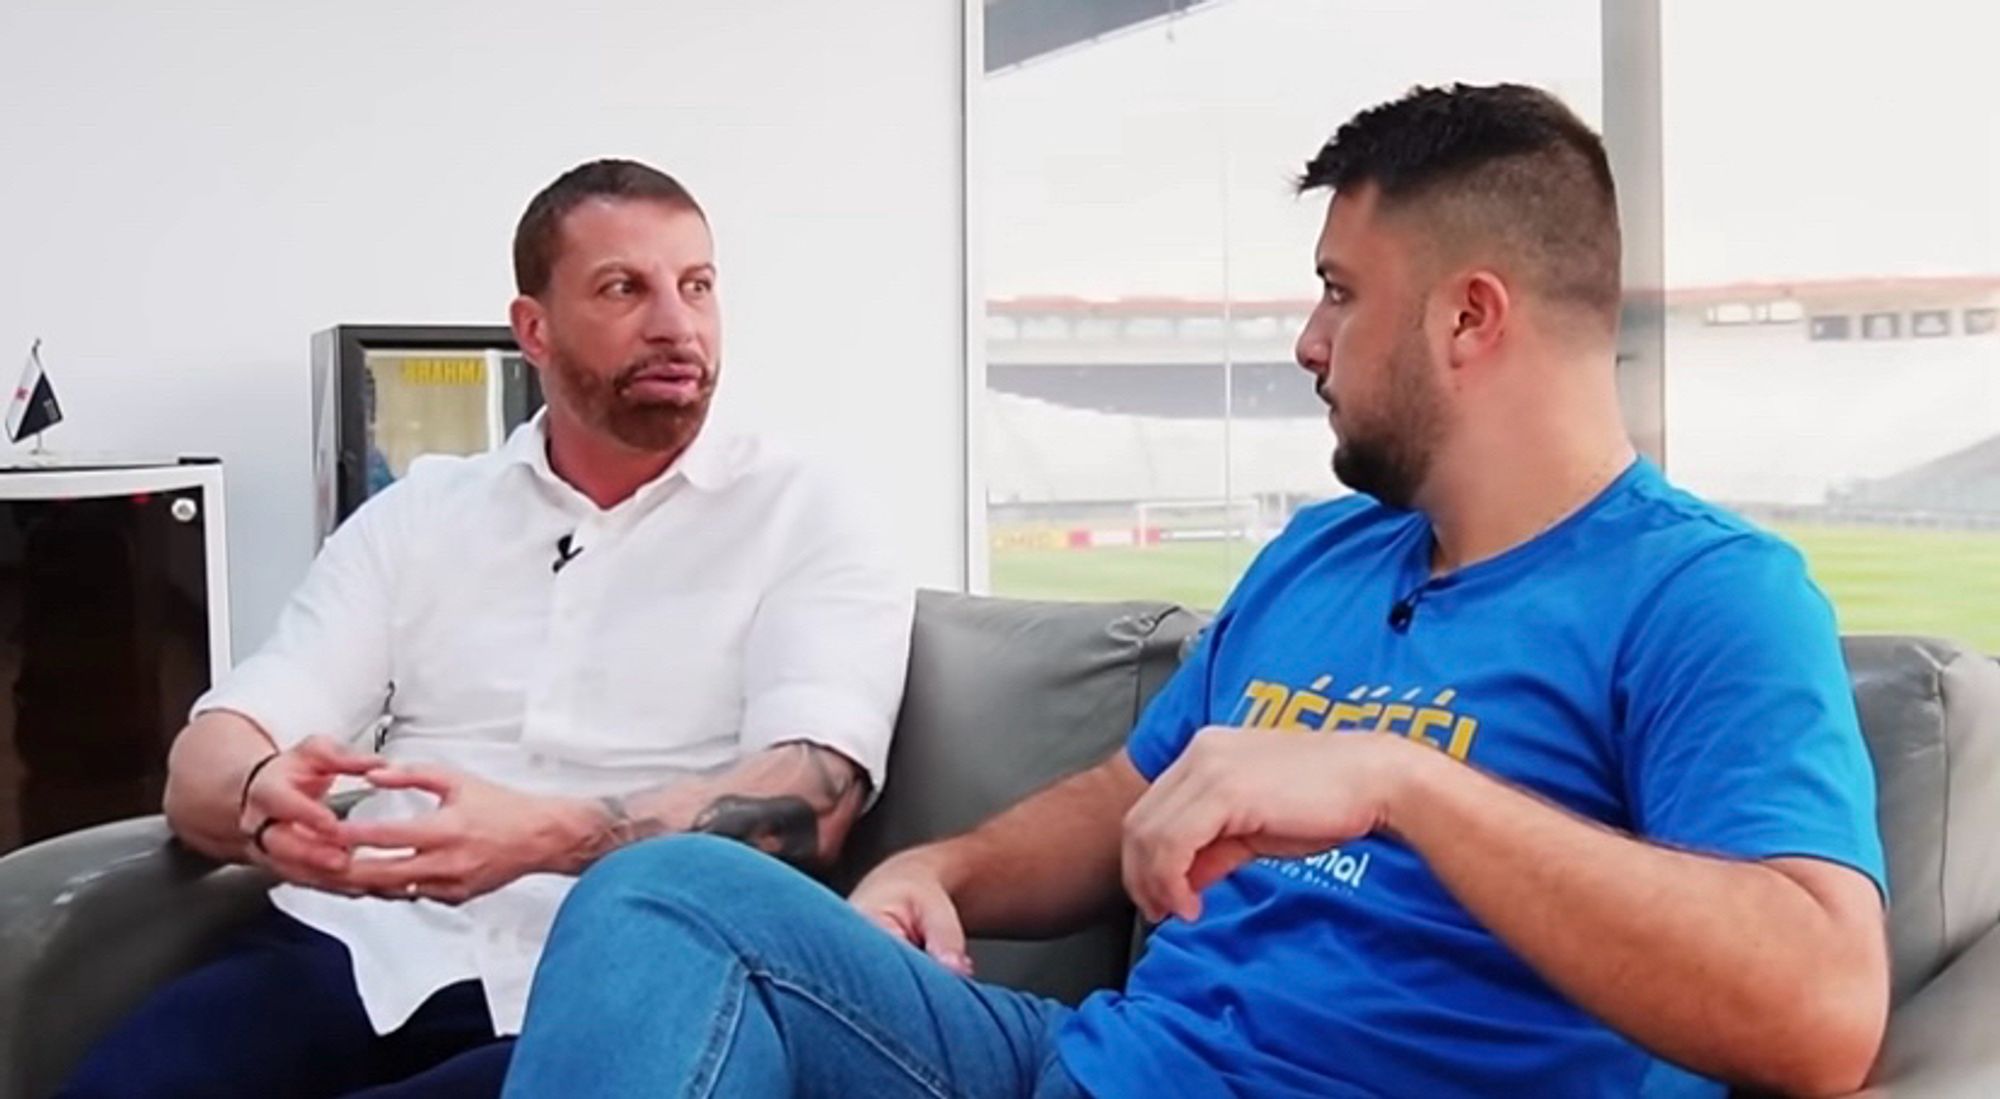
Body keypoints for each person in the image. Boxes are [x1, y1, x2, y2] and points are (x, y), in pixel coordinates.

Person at [501, 86, 1888, 1099]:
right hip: (1086, 1062)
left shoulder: (1705, 595)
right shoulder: (1324, 554)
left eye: (1340, 292)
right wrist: (939, 868)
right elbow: (1129, 795)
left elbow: (1823, 1010)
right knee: (666, 894)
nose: (1308, 341)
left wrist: (1401, 782)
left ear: (1469, 316)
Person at [58, 159, 913, 1099]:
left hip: (623, 967)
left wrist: (545, 837)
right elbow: (216, 749)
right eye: (624, 288)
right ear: (533, 329)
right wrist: (263, 798)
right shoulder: (422, 513)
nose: (677, 324)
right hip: (369, 941)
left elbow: (814, 800)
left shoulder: (808, 513)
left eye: (697, 285)